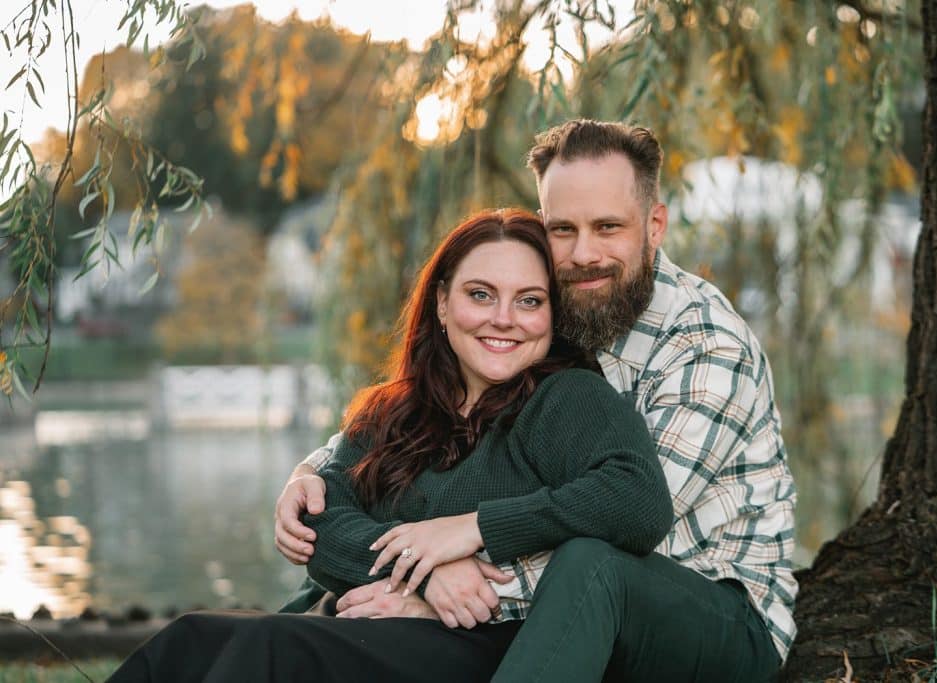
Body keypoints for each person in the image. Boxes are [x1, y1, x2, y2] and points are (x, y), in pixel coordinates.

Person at [277, 120, 798, 681]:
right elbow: (406, 432)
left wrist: (453, 589)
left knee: (593, 564)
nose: (583, 253)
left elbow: (637, 521)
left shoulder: (705, 347)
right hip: (580, 608)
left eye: (608, 228)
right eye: (563, 229)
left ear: (654, 225)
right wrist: (317, 468)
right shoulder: (561, 311)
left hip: (716, 614)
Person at [108, 208, 674, 682]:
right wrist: (426, 571)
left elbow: (635, 498)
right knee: (188, 641)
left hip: (490, 648)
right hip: (376, 629)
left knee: (273, 650)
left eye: (530, 300)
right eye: (482, 295)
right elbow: (323, 522)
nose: (504, 319)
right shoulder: (395, 409)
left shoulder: (567, 398)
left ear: (553, 315)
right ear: (443, 303)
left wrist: (475, 529)